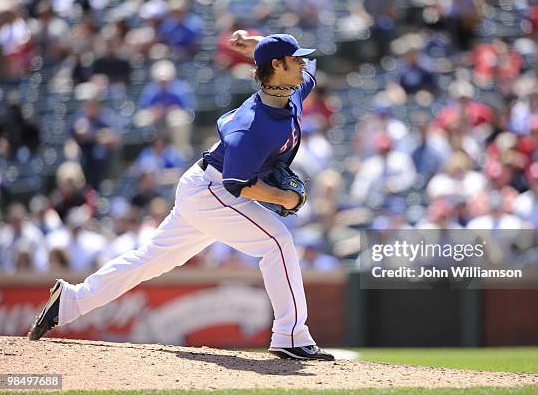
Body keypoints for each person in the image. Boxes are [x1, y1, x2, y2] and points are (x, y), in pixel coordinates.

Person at [28, 31, 334, 362]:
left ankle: (71, 300)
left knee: (152, 259)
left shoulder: (295, 87)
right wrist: (285, 199)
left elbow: (312, 64)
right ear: (277, 66)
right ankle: (291, 335)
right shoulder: (250, 126)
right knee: (277, 242)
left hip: (202, 187)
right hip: (213, 191)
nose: (303, 63)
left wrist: (254, 45)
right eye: (295, 59)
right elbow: (237, 186)